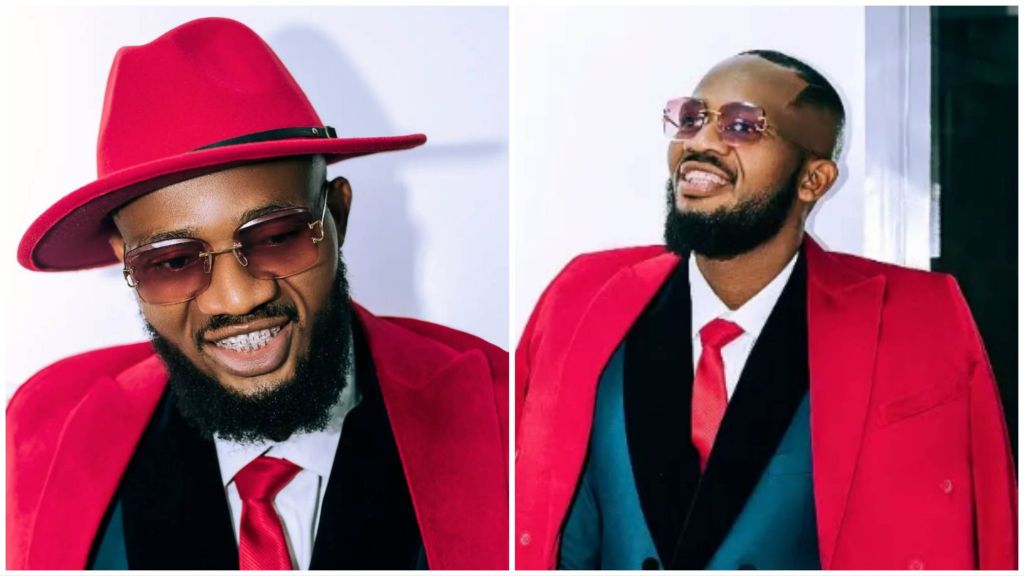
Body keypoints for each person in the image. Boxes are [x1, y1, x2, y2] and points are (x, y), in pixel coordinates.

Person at [7, 17, 508, 570]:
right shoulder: (50, 431)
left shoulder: (503, 409)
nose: (237, 298)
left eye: (275, 238)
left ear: (336, 215)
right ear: (127, 261)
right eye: (173, 262)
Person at [514, 50, 1016, 570]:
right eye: (692, 118)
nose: (700, 143)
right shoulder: (581, 297)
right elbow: (550, 523)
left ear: (813, 180)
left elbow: (985, 529)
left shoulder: (919, 315)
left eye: (740, 126)